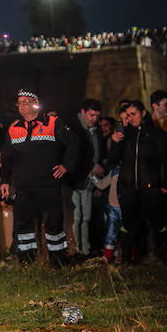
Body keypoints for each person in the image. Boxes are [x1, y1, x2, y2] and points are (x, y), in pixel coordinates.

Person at [0, 89, 81, 267]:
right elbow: (5, 158)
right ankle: (26, 263)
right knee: (24, 227)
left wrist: (66, 165)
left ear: (36, 103)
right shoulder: (13, 128)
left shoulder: (53, 122)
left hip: (49, 185)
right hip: (23, 187)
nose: (22, 105)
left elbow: (74, 143)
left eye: (26, 101)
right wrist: (4, 180)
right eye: (19, 102)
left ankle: (58, 262)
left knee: (54, 226)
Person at [107, 101, 167, 264]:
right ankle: (126, 259)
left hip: (150, 187)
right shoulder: (124, 134)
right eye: (128, 115)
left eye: (134, 114)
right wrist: (116, 143)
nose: (131, 118)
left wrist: (166, 184)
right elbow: (112, 161)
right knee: (128, 223)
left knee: (155, 222)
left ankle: (157, 255)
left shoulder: (155, 133)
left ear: (143, 113)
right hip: (128, 188)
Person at [65, 99, 105, 258]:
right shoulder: (74, 128)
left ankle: (85, 249)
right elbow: (74, 155)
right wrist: (91, 166)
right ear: (83, 112)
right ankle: (75, 249)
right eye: (91, 115)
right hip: (76, 179)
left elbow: (97, 151)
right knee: (76, 216)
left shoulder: (94, 130)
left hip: (89, 181)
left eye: (97, 116)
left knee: (86, 217)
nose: (94, 118)